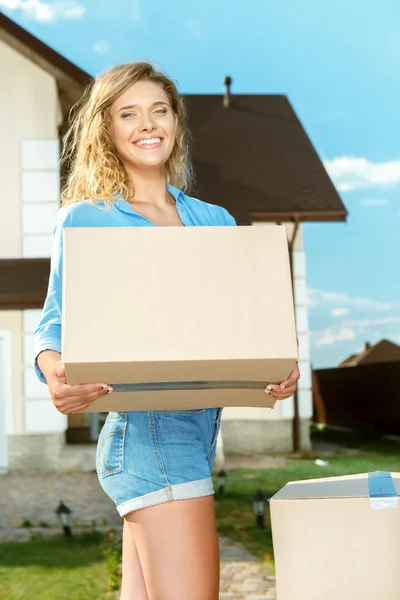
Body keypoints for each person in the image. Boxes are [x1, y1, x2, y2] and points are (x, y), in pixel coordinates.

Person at [33, 61, 300, 600]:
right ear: (106, 129)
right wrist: (54, 374)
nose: (146, 124)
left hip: (198, 434)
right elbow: (54, 321)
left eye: (158, 110)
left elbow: (237, 322)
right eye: (127, 114)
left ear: (176, 121)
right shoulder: (88, 218)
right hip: (147, 434)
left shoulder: (215, 220)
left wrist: (274, 365)